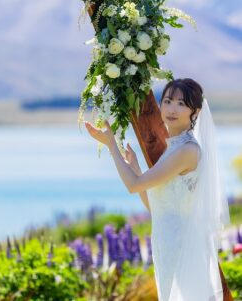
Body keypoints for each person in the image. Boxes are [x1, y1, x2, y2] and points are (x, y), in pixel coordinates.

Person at [84, 78, 230, 301]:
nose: (172, 109)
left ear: (196, 112)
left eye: (181, 104)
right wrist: (135, 166)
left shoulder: (187, 151)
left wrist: (112, 144)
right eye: (168, 101)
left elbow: (133, 186)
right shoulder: (174, 149)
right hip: (165, 244)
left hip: (182, 247)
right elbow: (155, 205)